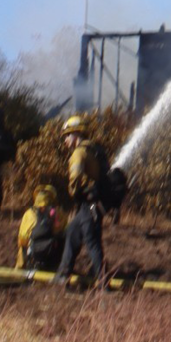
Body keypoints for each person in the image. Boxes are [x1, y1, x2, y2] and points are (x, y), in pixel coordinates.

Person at [55, 114, 111, 288]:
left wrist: (71, 193)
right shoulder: (94, 149)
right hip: (96, 203)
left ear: (75, 135)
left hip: (90, 204)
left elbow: (75, 178)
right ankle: (63, 274)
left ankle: (103, 282)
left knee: (92, 240)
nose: (65, 140)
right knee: (72, 231)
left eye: (66, 136)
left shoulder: (78, 153)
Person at [17, 185, 64, 273]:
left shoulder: (28, 214)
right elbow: (65, 233)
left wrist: (19, 266)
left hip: (32, 258)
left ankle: (25, 268)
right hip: (52, 258)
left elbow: (22, 240)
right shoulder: (58, 212)